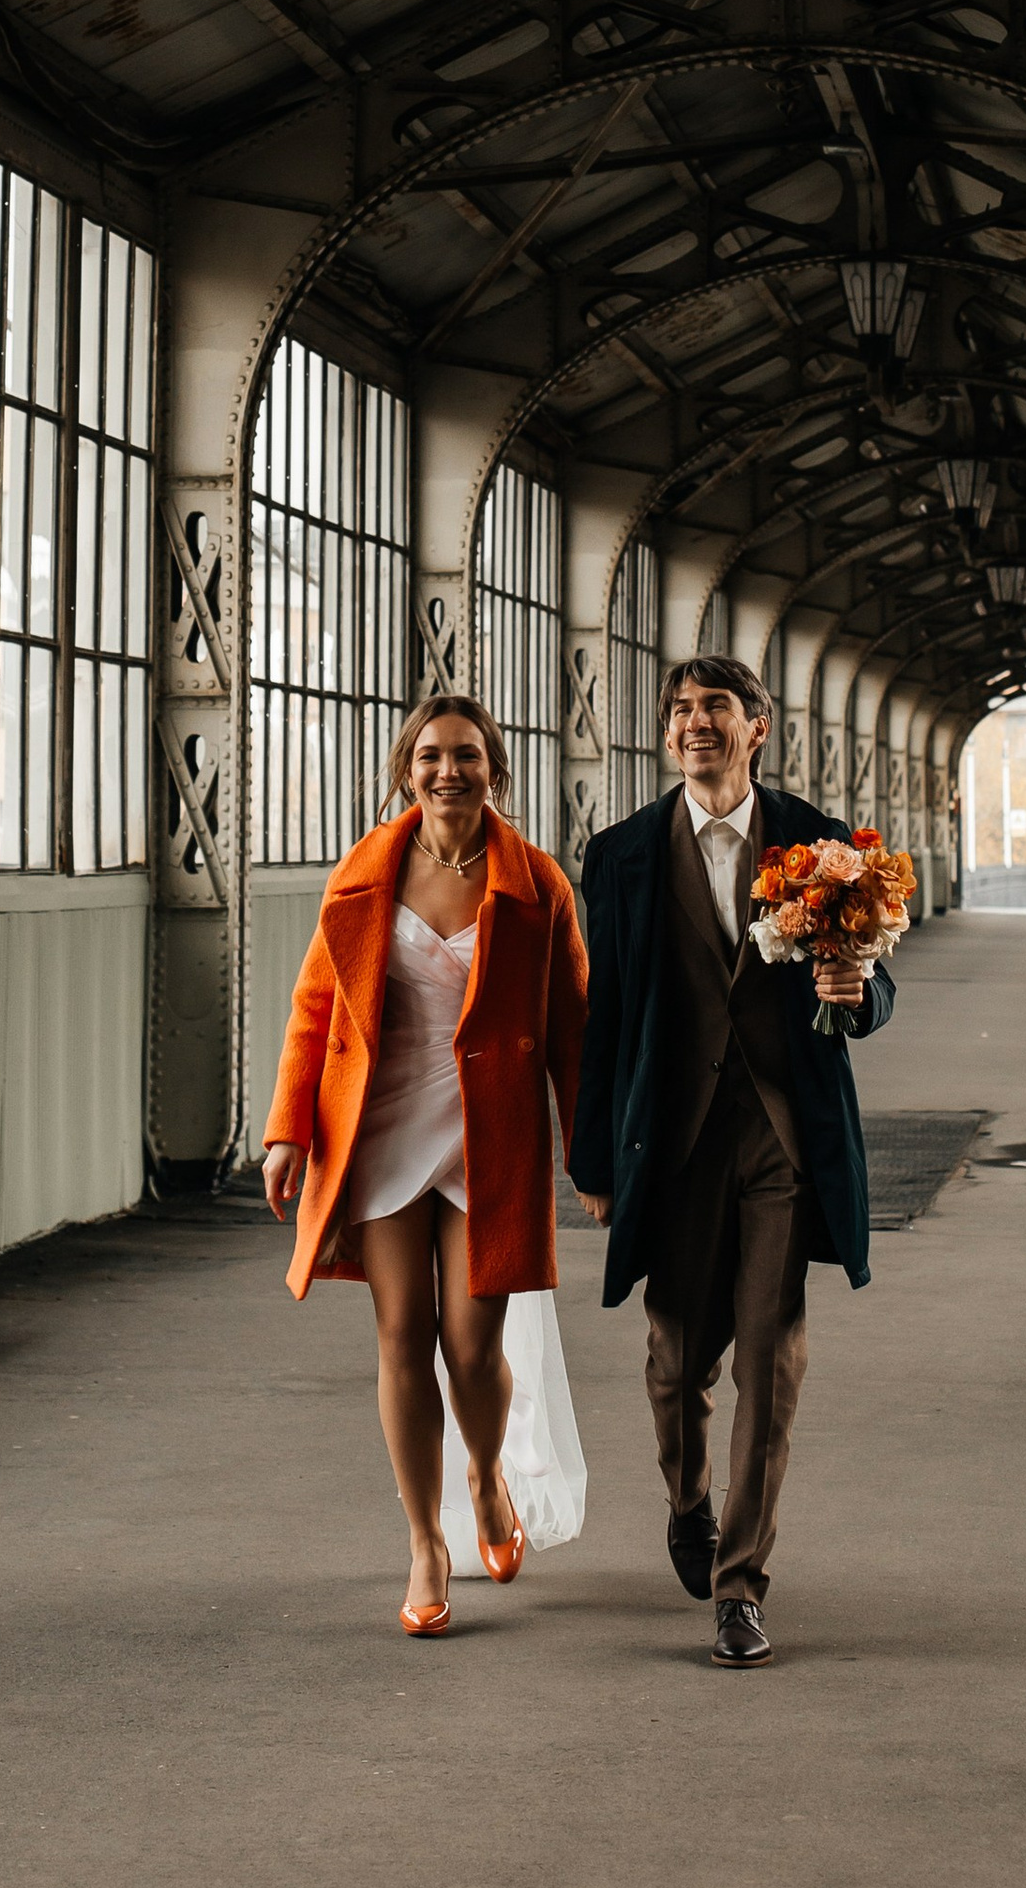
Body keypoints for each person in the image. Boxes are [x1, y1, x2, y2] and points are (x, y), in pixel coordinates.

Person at [570, 653, 895, 1668]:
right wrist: (591, 1161)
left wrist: (857, 997)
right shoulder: (619, 855)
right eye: (678, 709)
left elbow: (877, 979)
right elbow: (606, 1019)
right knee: (674, 1363)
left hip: (779, 1138)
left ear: (756, 726)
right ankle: (687, 1502)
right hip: (670, 1141)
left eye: (714, 706)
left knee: (771, 1358)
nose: (692, 722)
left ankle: (741, 1586)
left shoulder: (824, 845)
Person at [262, 696, 590, 1635]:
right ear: (408, 768)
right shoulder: (364, 877)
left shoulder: (537, 887)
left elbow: (573, 1028)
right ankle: (424, 1540)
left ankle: (487, 1476)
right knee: (402, 1334)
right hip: (382, 1126)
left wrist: (591, 1155)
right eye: (433, 756)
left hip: (490, 1136)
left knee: (472, 1346)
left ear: (495, 769)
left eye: (469, 757)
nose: (451, 772)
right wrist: (289, 1131)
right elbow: (314, 1009)